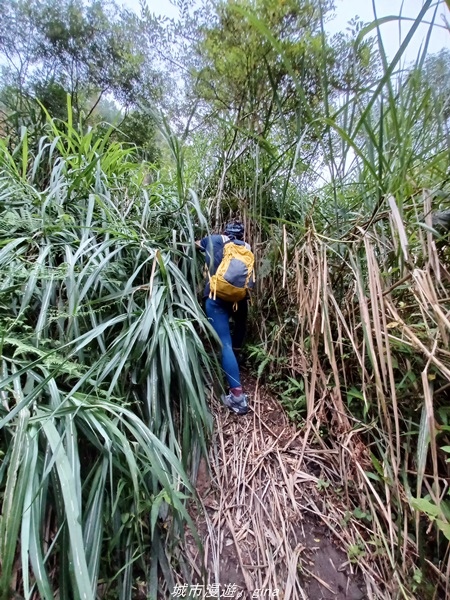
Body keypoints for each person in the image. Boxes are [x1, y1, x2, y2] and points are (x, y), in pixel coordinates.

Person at [196, 222, 251, 415]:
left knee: (224, 343)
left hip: (215, 299)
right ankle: (237, 358)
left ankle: (237, 397)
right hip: (239, 300)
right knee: (241, 324)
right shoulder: (246, 248)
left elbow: (196, 245)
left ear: (225, 232)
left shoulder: (213, 240)